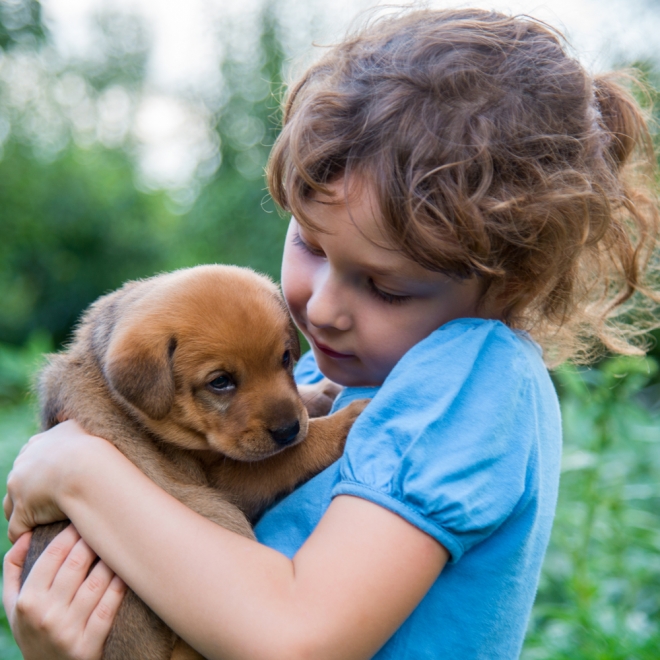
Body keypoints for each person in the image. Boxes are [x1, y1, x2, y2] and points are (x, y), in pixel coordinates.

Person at [3, 8, 659, 659]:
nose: (323, 309)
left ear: (508, 282)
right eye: (309, 245)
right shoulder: (315, 381)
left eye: (386, 287)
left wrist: (78, 471)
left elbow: (296, 637)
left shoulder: (475, 380)